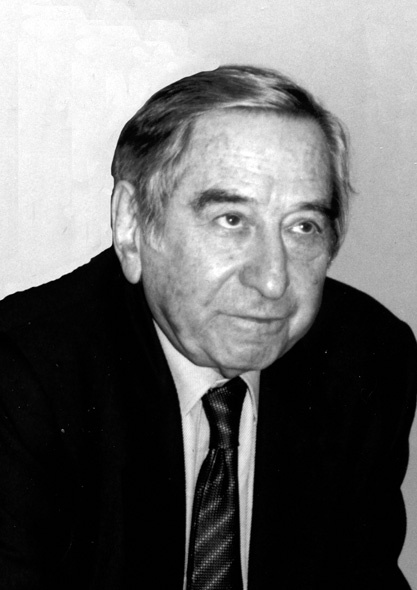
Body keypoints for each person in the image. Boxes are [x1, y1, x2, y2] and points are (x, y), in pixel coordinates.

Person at [0, 65, 416, 590]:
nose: (272, 281)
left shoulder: (369, 359)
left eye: (302, 227)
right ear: (132, 224)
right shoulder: (24, 375)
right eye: (231, 220)